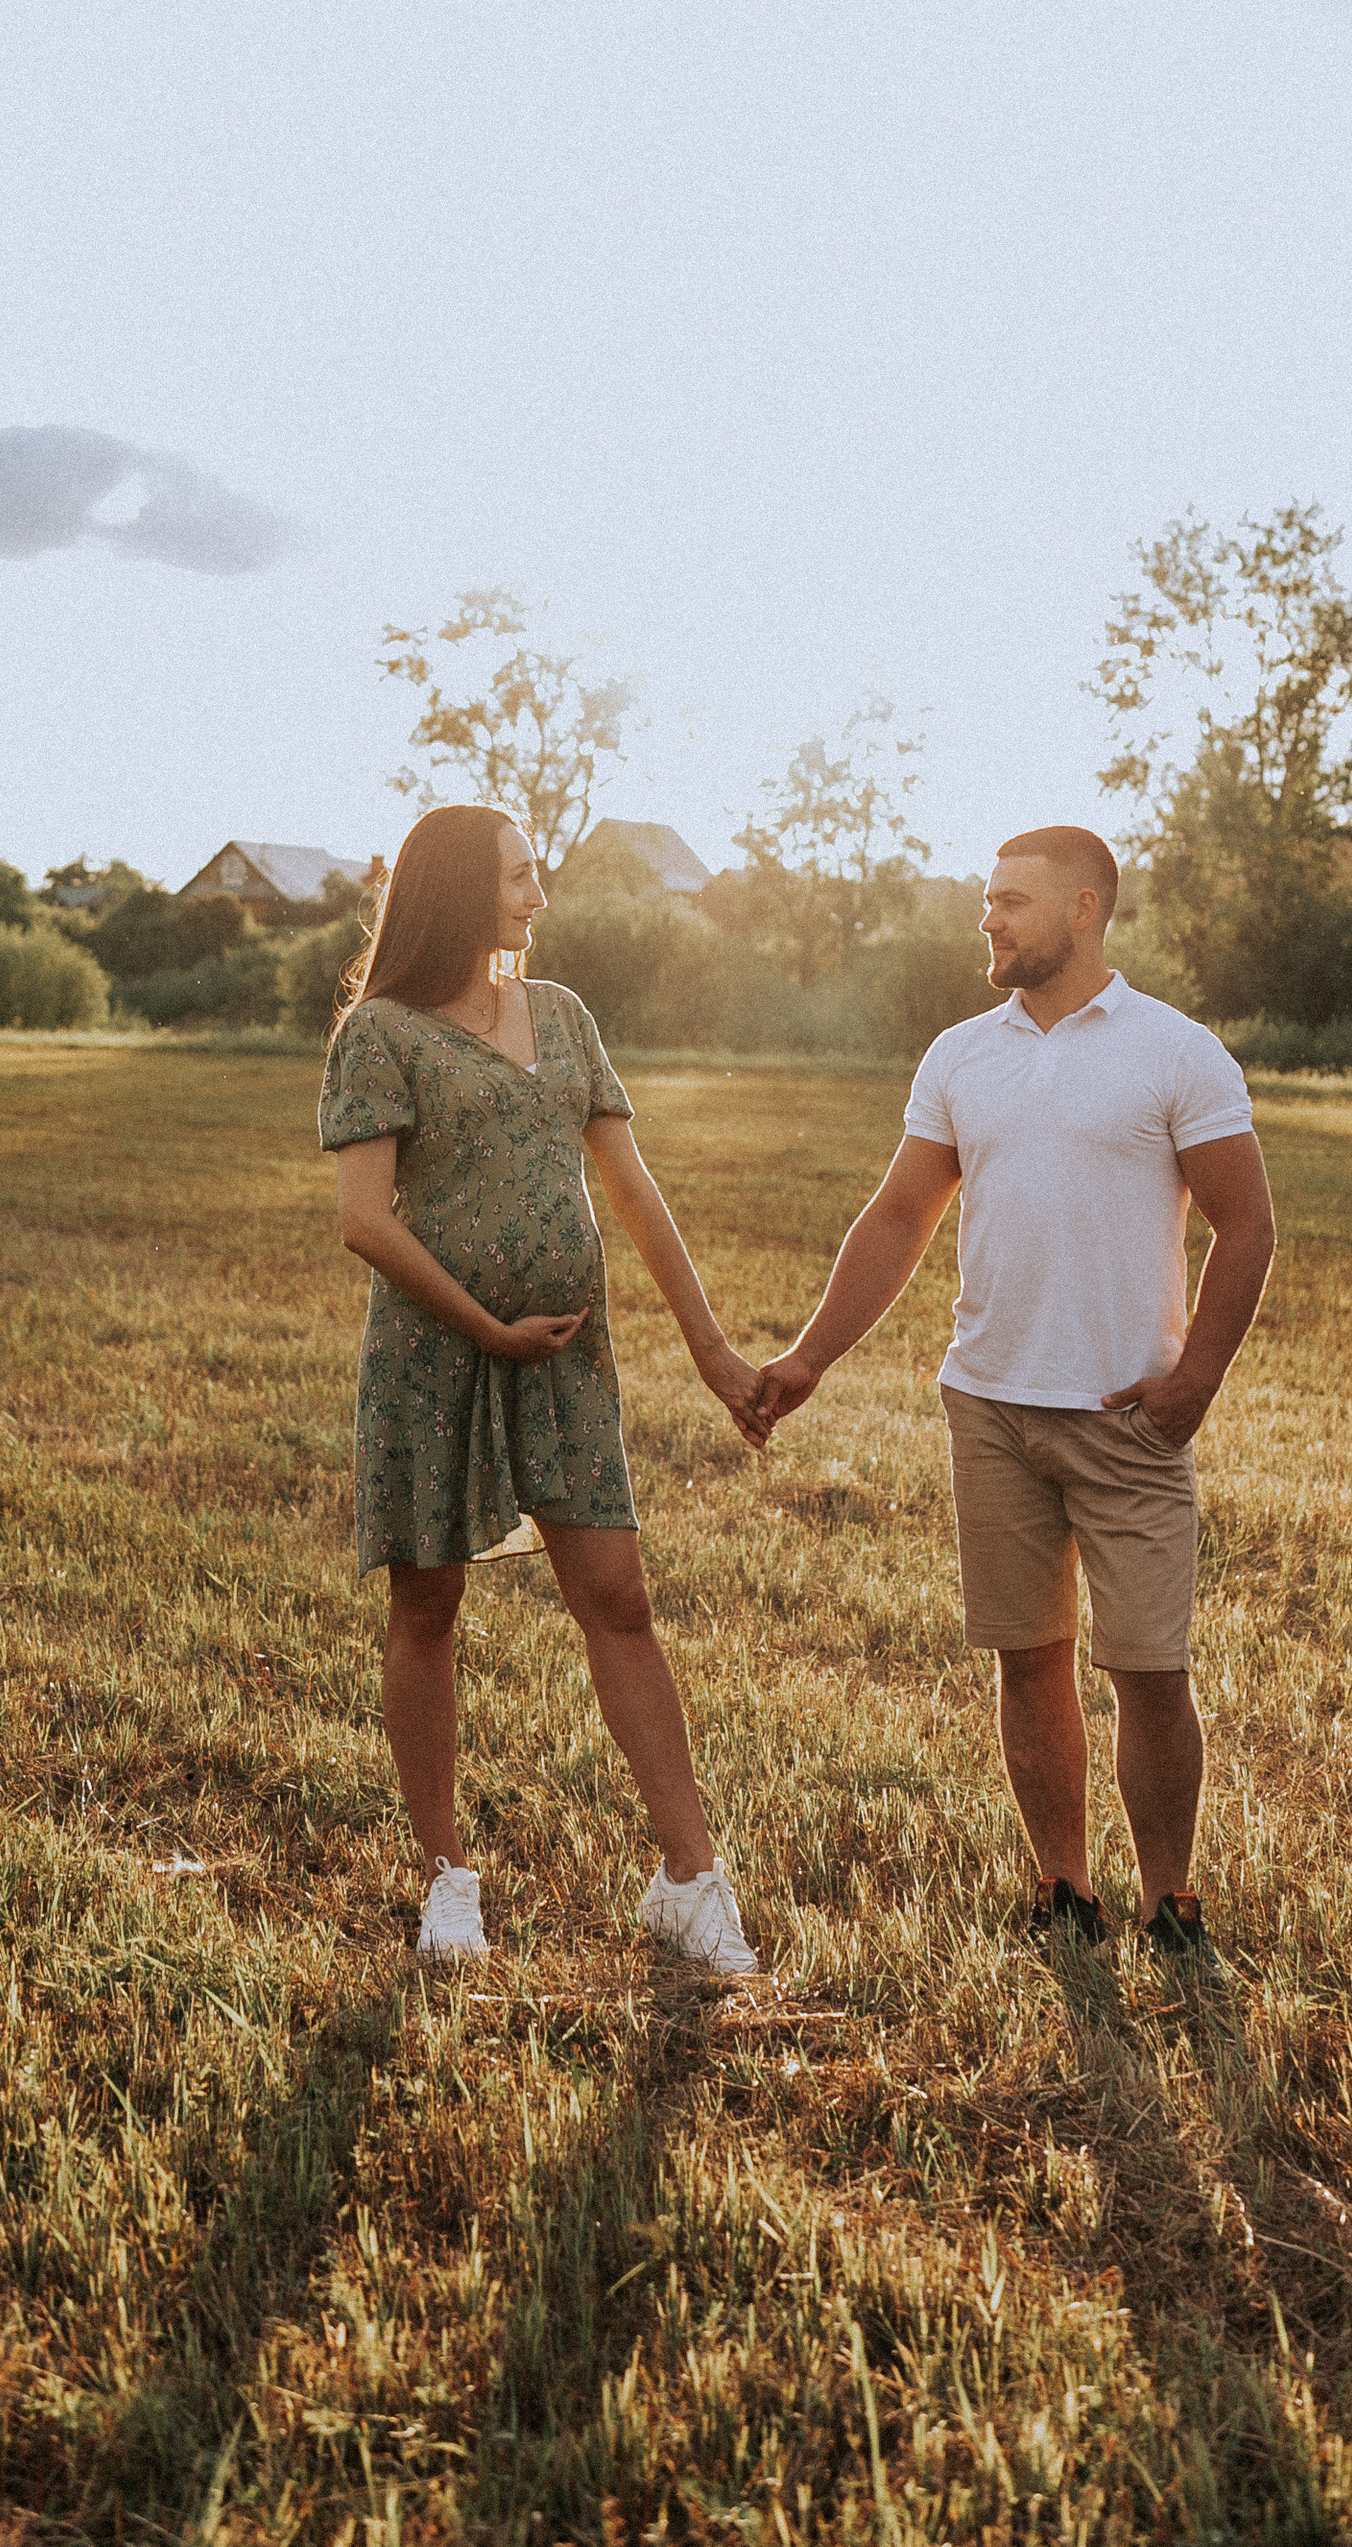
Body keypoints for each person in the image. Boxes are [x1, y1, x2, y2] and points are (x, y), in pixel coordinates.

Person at [753, 825, 1276, 1970]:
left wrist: (1192, 1382)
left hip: (1124, 1417)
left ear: (1084, 909)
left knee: (1147, 1670)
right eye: (985, 899)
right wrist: (808, 1357)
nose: (986, 919)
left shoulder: (1174, 1052)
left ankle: (1170, 1901)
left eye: (1011, 901)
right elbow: (899, 1219)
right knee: (1026, 1659)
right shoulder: (958, 1056)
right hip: (987, 1405)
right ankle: (1061, 1887)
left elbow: (1248, 1225)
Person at [321, 802, 767, 1974]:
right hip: (433, 1356)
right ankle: (445, 1877)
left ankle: (689, 1878)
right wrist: (484, 1328)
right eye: (520, 877)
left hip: (565, 1357)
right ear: (463, 888)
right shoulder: (382, 1031)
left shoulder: (563, 1016)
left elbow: (631, 1188)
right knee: (426, 1609)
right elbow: (363, 1221)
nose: (538, 897)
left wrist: (712, 1349)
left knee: (617, 1596)